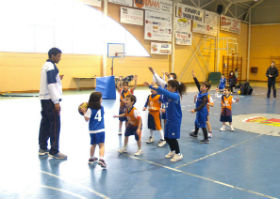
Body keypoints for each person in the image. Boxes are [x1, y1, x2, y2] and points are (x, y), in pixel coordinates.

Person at [144, 79, 186, 162]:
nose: (167, 87)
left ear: (174, 88)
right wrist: (150, 87)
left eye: (169, 86)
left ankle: (178, 154)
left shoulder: (176, 96)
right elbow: (162, 95)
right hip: (169, 118)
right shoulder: (168, 95)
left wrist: (157, 87)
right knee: (167, 137)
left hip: (175, 120)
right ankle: (172, 151)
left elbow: (165, 92)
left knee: (173, 138)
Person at [38, 47, 67, 160]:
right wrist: (56, 101)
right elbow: (51, 85)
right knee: (55, 125)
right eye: (59, 56)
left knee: (45, 123)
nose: (60, 58)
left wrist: (57, 79)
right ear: (53, 56)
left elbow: (50, 81)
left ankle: (43, 148)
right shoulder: (51, 67)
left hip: (44, 99)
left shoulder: (45, 66)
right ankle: (54, 151)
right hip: (50, 100)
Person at [82, 92, 106, 168]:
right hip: (100, 130)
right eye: (101, 98)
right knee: (101, 145)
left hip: (92, 130)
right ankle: (101, 159)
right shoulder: (102, 107)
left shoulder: (90, 109)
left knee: (93, 144)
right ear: (98, 100)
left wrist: (84, 112)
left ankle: (91, 158)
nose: (102, 100)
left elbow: (86, 119)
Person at [189, 71, 211, 143]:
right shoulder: (201, 91)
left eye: (203, 86)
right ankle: (195, 133)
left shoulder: (205, 96)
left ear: (207, 88)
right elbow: (197, 84)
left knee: (202, 124)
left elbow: (202, 106)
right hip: (199, 111)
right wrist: (194, 77)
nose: (201, 87)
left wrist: (195, 110)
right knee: (196, 122)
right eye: (201, 86)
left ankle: (206, 138)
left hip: (202, 111)